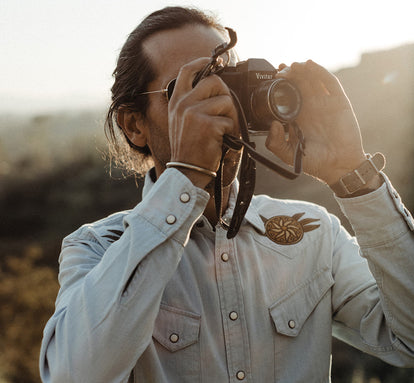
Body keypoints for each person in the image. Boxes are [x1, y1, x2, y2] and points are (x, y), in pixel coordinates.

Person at [39, 6, 414, 383]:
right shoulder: (98, 249)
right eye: (189, 89)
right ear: (135, 125)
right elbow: (73, 375)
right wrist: (186, 176)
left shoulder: (313, 231)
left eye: (227, 84)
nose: (219, 105)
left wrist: (351, 173)